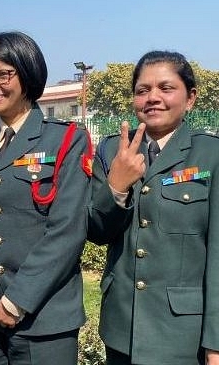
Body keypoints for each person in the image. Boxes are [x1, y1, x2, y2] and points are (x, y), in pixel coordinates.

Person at [0, 31, 92, 364]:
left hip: (43, 318)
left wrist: (17, 300)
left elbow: (67, 230)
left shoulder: (66, 140)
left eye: (3, 74)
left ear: (27, 73)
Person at [88, 50, 219, 365]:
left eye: (166, 88)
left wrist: (216, 343)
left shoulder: (210, 154)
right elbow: (96, 231)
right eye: (142, 90)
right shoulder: (110, 149)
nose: (152, 98)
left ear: (190, 98)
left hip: (182, 334)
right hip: (121, 327)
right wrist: (116, 187)